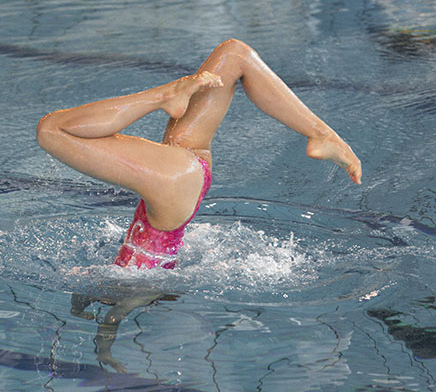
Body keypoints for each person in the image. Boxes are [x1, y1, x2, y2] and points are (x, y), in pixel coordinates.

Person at [37, 39, 361, 269]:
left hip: (182, 177)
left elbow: (112, 314)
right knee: (51, 129)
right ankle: (322, 135)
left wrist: (106, 335)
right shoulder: (132, 284)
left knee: (234, 55)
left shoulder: (125, 285)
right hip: (176, 180)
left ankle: (165, 95)